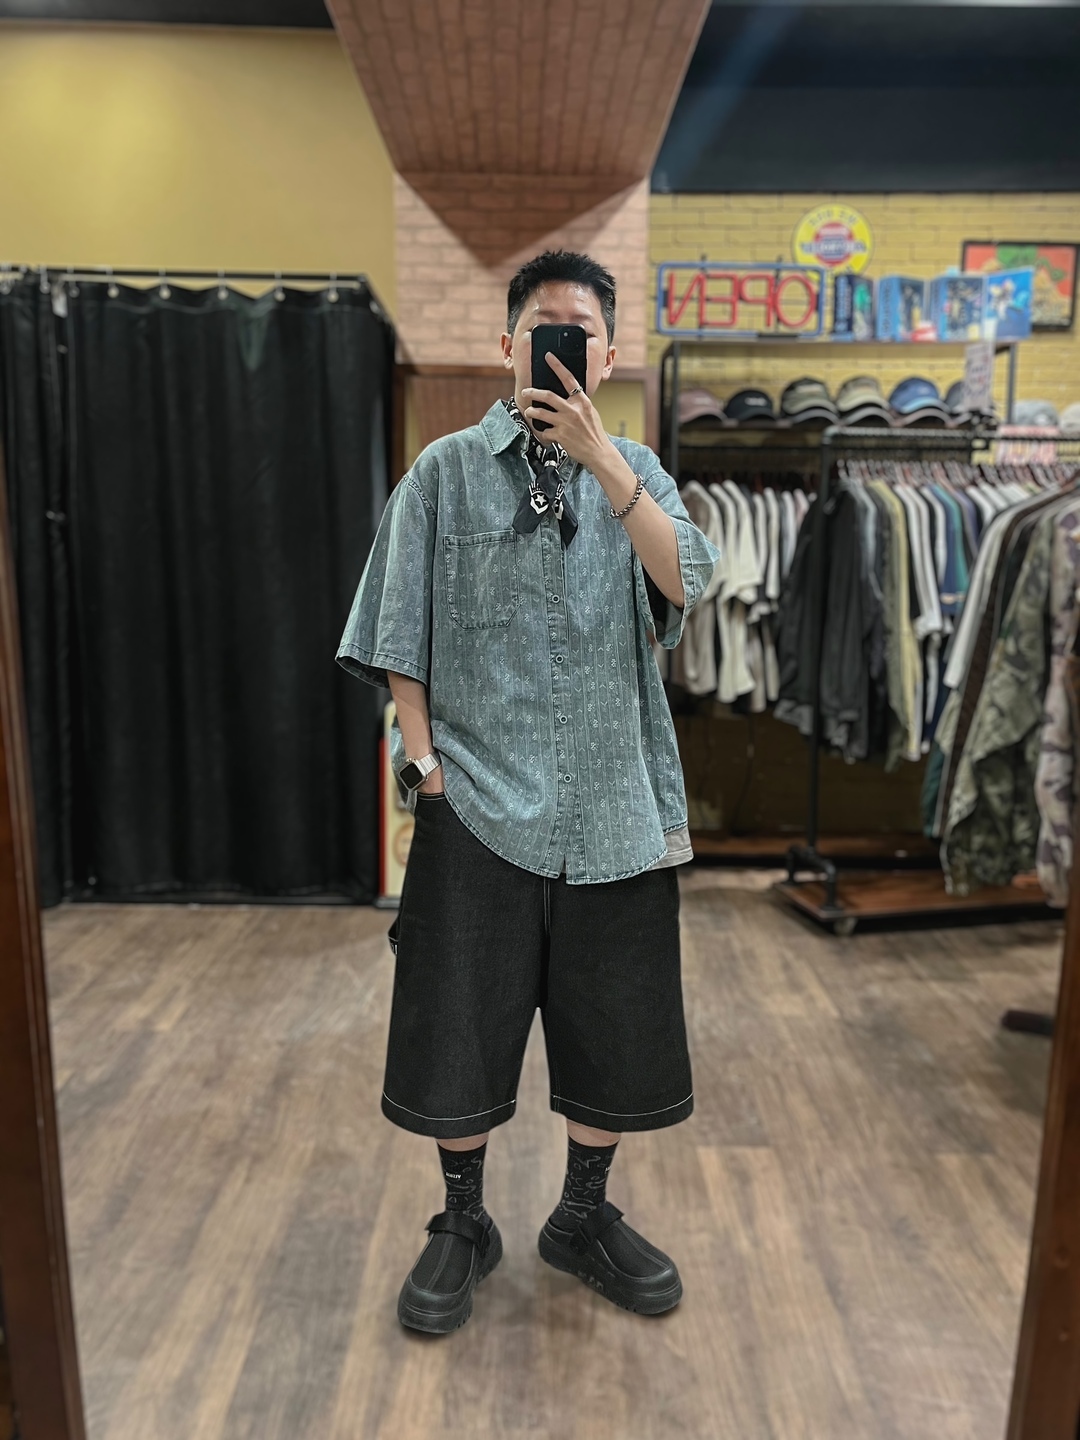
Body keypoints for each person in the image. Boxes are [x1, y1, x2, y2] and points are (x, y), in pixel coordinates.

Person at [337, 249, 720, 1333]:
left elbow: (689, 579)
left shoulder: (637, 470)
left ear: (608, 354)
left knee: (615, 1029)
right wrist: (424, 766)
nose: (561, 345)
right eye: (544, 326)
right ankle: (463, 1220)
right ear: (509, 343)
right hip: (475, 804)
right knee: (457, 1031)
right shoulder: (444, 472)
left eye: (582, 331)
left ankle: (581, 1216)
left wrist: (606, 466)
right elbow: (396, 627)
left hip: (616, 807)